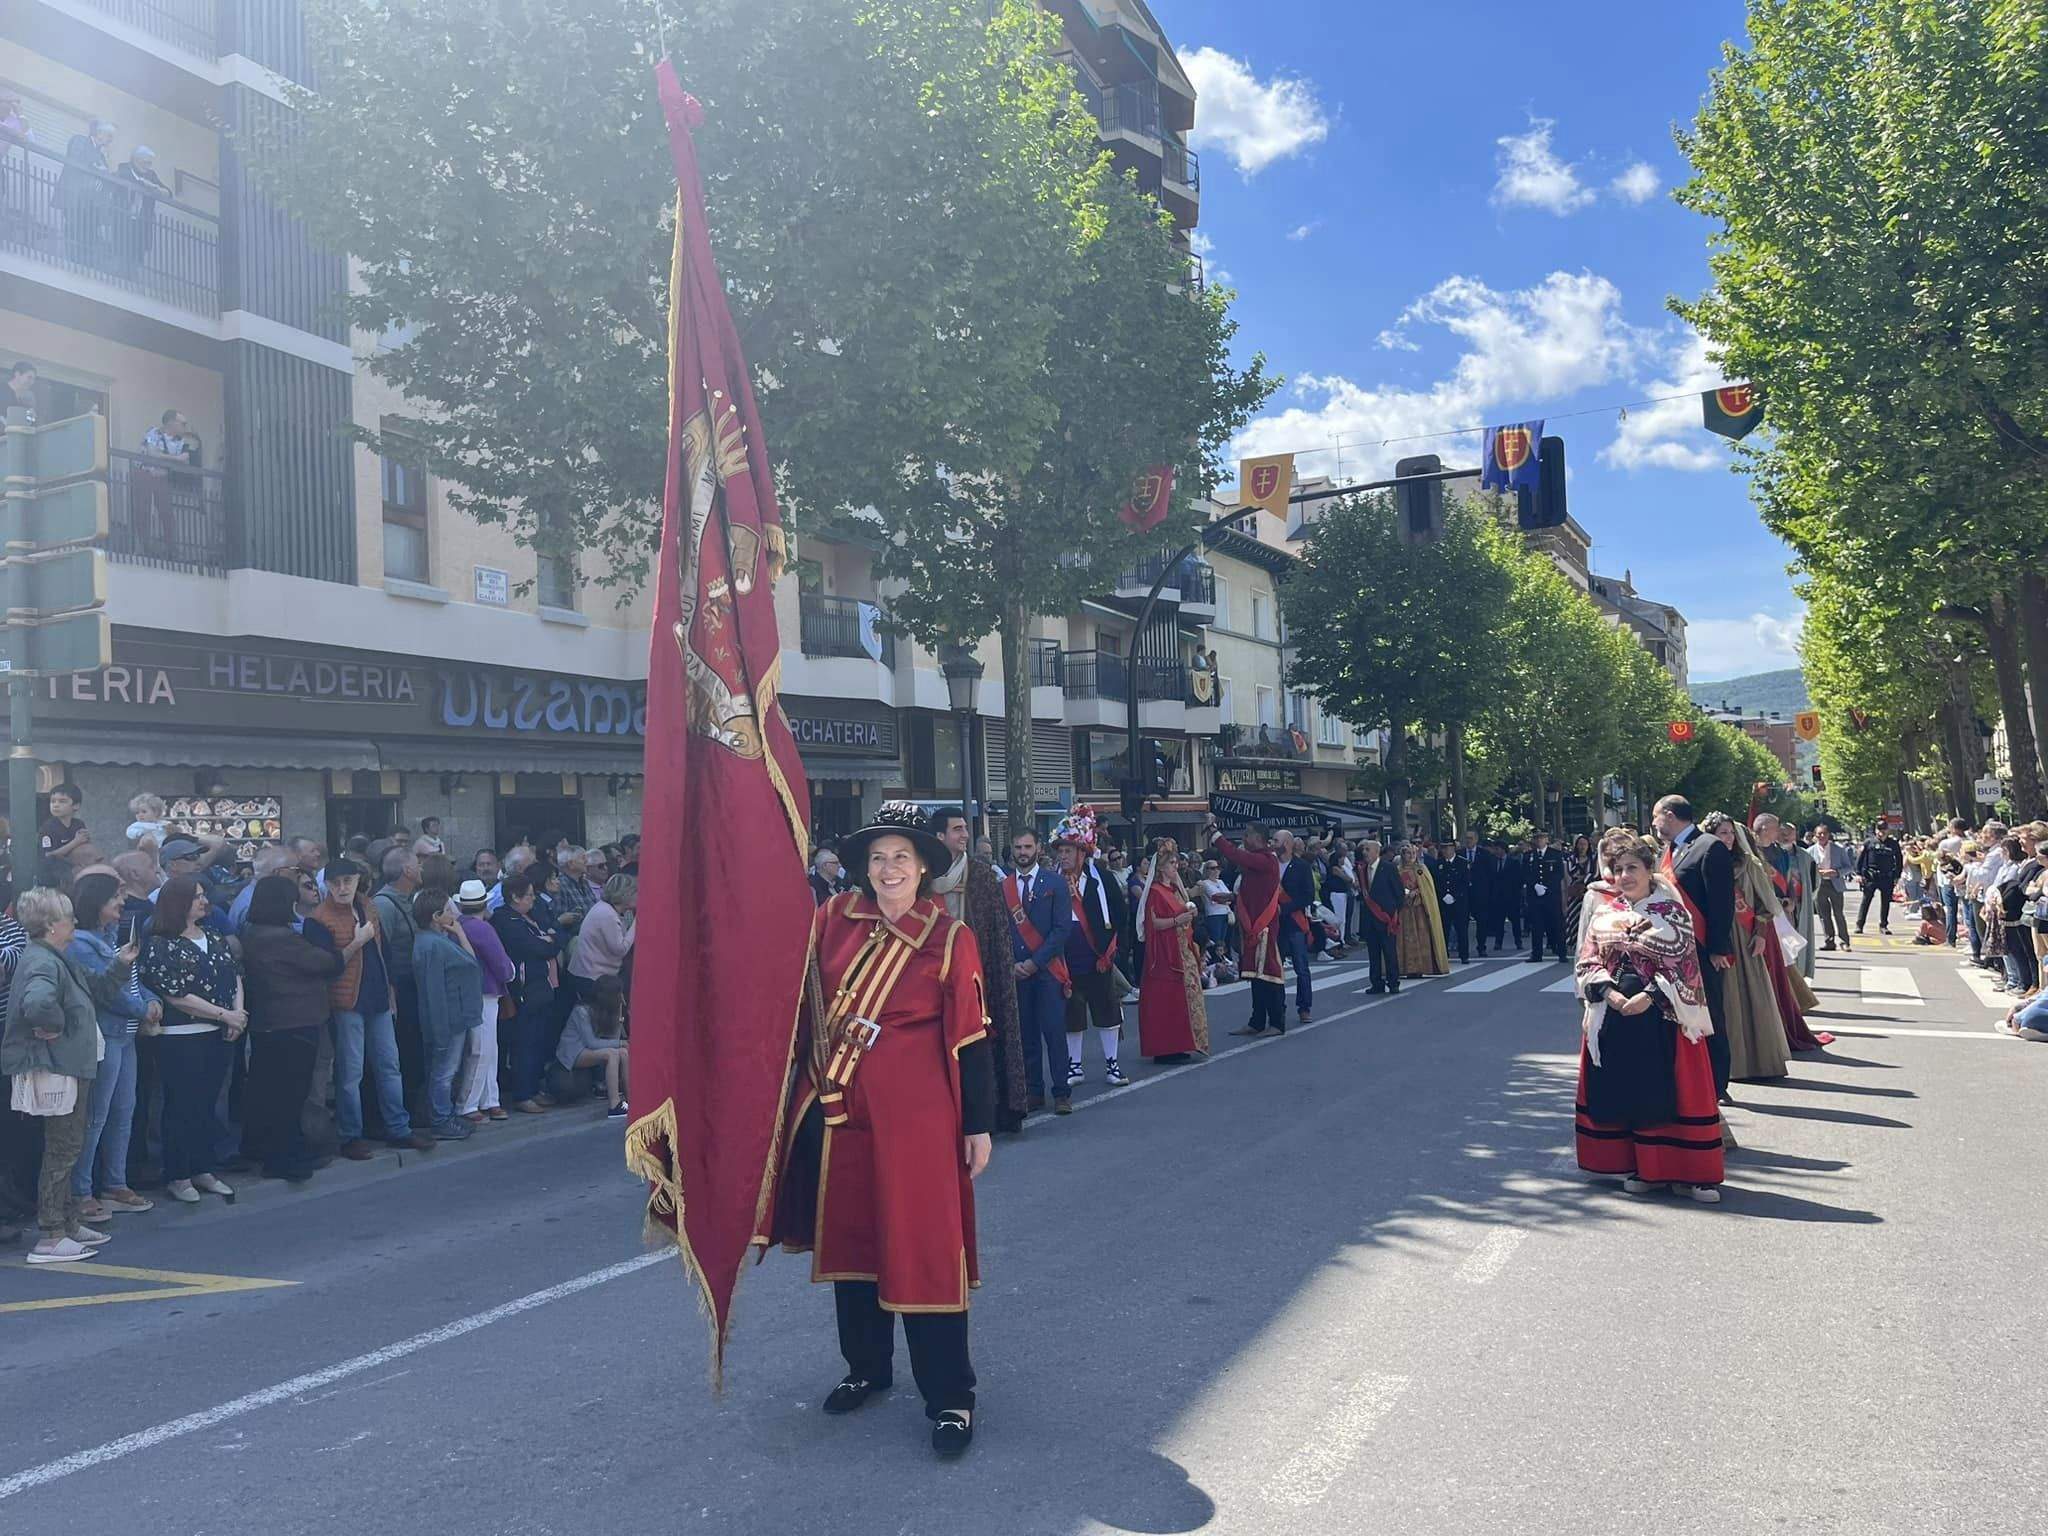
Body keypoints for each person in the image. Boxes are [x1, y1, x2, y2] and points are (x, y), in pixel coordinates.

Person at [764, 804, 994, 1460]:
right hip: (842, 1114)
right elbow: (790, 994)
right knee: (856, 1244)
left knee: (922, 1249)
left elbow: (972, 1039)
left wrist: (977, 1125)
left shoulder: (949, 939)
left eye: (901, 858)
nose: (889, 869)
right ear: (864, 869)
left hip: (919, 1125)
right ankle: (867, 1365)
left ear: (923, 867)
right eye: (877, 859)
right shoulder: (833, 921)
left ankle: (951, 1396)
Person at [1572, 830, 1725, 1203]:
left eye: (1632, 868)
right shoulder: (1607, 912)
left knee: (1674, 1093)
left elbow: (1685, 966)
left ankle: (1691, 1174)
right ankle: (1643, 1167)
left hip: (1664, 1018)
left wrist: (1648, 996)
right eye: (1618, 869)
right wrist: (1609, 993)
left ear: (1649, 870)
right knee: (1631, 1092)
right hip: (1616, 1014)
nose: (1625, 876)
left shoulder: (1672, 912)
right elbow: (1587, 959)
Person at [3, 887, 143, 1261]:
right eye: (67, 916)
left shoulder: (53, 956)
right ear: (50, 925)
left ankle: (65, 1224)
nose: (74, 922)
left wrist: (121, 964)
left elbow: (96, 990)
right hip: (57, 1067)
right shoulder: (45, 962)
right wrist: (56, 1023)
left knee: (67, 1146)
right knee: (62, 1150)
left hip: (65, 1065)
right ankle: (51, 1235)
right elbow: (37, 1003)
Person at [138, 874, 244, 1204]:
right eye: (196, 896)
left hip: (218, 1033)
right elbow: (175, 994)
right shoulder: (160, 943)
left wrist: (238, 1013)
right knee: (181, 1106)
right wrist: (223, 1014)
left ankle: (203, 1167)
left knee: (207, 1105)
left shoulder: (212, 935)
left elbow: (233, 975)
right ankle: (178, 1173)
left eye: (203, 895)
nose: (203, 901)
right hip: (181, 1036)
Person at [237, 874, 343, 1183]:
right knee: (289, 1095)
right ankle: (285, 1158)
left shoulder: (252, 932)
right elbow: (327, 963)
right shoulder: (281, 938)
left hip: (268, 1023)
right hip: (294, 1022)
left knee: (266, 1091)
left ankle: (259, 1147)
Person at [65, 872, 157, 1221]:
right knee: (95, 1117)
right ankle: (81, 1192)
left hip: (127, 1037)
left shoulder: (112, 935)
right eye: (115, 897)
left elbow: (134, 981)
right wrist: (143, 1009)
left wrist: (150, 999)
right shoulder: (80, 943)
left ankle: (115, 1184)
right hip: (105, 1038)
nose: (122, 902)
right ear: (96, 903)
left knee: (123, 1113)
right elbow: (106, 992)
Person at [929, 809, 1028, 1135]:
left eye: (965, 829)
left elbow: (998, 931)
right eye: (957, 829)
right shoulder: (921, 878)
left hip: (976, 973)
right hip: (934, 977)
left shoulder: (982, 875)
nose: (964, 835)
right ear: (940, 836)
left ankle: (991, 1112)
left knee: (978, 1045)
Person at [1655, 794, 1736, 1113]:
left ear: (1671, 815)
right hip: (1671, 948)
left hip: (1702, 949)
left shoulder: (1709, 847)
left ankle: (1717, 1083)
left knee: (1710, 1014)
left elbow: (1721, 903)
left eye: (1657, 816)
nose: (1655, 823)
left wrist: (1718, 948)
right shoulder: (1669, 850)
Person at [1051, 810, 1127, 1089]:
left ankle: (1112, 1063)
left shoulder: (1102, 880)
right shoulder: (1052, 881)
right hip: (1066, 961)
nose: (1063, 856)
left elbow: (1120, 915)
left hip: (1098, 958)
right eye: (1060, 851)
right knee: (1072, 1015)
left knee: (1106, 1012)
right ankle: (1075, 1065)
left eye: (1068, 850)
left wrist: (1113, 951)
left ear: (1082, 852)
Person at [1002, 828, 1073, 1112]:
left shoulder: (1055, 883)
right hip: (1018, 971)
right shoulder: (1003, 887)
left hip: (1048, 970)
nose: (1023, 852)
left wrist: (1035, 962)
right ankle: (1033, 1091)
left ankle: (1061, 1092)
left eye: (1027, 846)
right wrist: (1013, 964)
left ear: (1038, 849)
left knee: (1054, 1033)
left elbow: (1062, 929)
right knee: (1026, 1033)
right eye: (1018, 847)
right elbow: (1001, 932)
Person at [1207, 817, 1287, 1037]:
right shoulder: (1258, 861)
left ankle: (1277, 1022)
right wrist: (1233, 897)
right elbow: (1254, 893)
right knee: (1254, 975)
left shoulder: (1266, 859)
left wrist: (1215, 833)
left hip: (1264, 925)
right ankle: (1257, 1021)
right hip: (1250, 925)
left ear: (1259, 838)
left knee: (1269, 974)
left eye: (1247, 834)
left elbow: (1235, 854)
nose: (1244, 838)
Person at [411, 890, 481, 1139]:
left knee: (444, 1071)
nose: (455, 914)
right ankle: (440, 1119)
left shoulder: (439, 939)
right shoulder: (431, 945)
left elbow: (470, 963)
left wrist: (459, 932)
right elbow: (434, 991)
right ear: (436, 916)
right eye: (449, 910)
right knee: (443, 1072)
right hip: (448, 1019)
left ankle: (444, 1115)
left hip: (455, 1016)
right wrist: (439, 1029)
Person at [491, 871, 562, 1114]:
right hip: (525, 991)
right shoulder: (506, 921)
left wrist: (550, 939)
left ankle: (533, 1088)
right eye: (529, 895)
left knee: (539, 1041)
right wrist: (548, 941)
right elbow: (535, 948)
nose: (533, 899)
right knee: (525, 1044)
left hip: (542, 987)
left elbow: (557, 936)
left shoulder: (529, 917)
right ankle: (523, 1093)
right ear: (515, 897)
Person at [1136, 837, 1209, 1063]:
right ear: (1161, 868)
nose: (1175, 866)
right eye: (1171, 863)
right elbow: (1154, 923)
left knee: (1181, 999)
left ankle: (1181, 1043)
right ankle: (1166, 1047)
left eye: (1176, 862)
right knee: (1167, 999)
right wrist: (1179, 920)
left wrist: (1188, 914)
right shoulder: (1156, 892)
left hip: (1181, 948)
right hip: (1166, 952)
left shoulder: (1174, 889)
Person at [454, 880, 516, 1123]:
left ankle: (490, 1099)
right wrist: (511, 974)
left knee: (486, 1047)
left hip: (471, 992)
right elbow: (502, 965)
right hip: (486, 992)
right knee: (483, 1049)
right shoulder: (483, 928)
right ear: (484, 904)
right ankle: (468, 1104)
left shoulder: (460, 925)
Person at [556, 973, 630, 1117]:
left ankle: (630, 1099)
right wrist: (621, 1042)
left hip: (588, 1050)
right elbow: (591, 1043)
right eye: (619, 993)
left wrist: (619, 1015)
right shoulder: (581, 1011)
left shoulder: (608, 1010)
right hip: (573, 1052)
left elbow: (614, 1039)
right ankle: (614, 1105)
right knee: (612, 1053)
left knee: (623, 1052)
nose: (622, 996)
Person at [1273, 832, 1316, 1024]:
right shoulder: (1271, 865)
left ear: (1287, 844)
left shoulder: (1302, 867)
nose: (1273, 844)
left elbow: (1308, 895)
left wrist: (1286, 907)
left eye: (1276, 841)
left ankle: (1304, 1007)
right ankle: (1277, 1008)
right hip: (1275, 924)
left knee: (1301, 968)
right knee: (1275, 968)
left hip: (1294, 921)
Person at [58, 120, 114, 267]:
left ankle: (84, 263)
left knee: (89, 233)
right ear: (99, 133)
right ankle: (73, 261)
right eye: (109, 135)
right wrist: (96, 166)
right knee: (73, 228)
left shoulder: (101, 155)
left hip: (92, 204)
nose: (111, 139)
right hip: (76, 196)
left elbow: (107, 178)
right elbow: (75, 158)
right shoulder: (79, 140)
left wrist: (103, 165)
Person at [1394, 843, 1449, 977]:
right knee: (1404, 938)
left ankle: (1423, 966)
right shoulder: (1397, 870)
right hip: (1404, 909)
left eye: (1413, 853)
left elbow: (1428, 889)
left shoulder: (1421, 869)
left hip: (1419, 909)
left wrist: (1418, 891)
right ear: (1403, 855)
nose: (1411, 856)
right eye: (1408, 853)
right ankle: (1406, 967)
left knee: (1422, 936)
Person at [1524, 830, 1568, 962]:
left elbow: (1559, 873)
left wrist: (1547, 887)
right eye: (1536, 838)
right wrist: (1535, 885)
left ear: (1546, 839)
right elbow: (1525, 873)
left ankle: (1561, 953)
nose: (1539, 841)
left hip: (1551, 895)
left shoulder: (1555, 854)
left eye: (1541, 838)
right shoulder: (1528, 856)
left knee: (1556, 924)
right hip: (1535, 895)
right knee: (1536, 925)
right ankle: (1536, 954)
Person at [1809, 824, 1853, 951]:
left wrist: (1836, 872)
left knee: (1838, 914)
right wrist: (1816, 873)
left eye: (1824, 833)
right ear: (1815, 836)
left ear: (1828, 835)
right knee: (1823, 915)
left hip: (1835, 884)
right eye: (1819, 834)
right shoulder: (1810, 851)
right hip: (1819, 885)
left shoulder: (1838, 850)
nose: (1822, 836)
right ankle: (1829, 941)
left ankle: (1844, 941)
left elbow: (1849, 867)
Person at [40, 781, 99, 870]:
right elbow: (49, 855)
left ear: (76, 806)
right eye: (53, 801)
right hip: (53, 874)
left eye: (62, 801)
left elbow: (84, 847)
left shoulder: (79, 824)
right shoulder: (48, 827)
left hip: (76, 867)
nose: (56, 805)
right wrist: (76, 842)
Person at [1431, 838, 1471, 964]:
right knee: (1444, 929)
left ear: (1454, 848)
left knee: (1462, 929)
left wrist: (1454, 895)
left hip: (1459, 901)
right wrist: (1443, 895)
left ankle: (1464, 955)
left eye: (1448, 847)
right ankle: (1444, 955)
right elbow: (1436, 882)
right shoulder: (1437, 864)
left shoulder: (1463, 863)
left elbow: (1465, 882)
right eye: (1443, 848)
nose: (1446, 850)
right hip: (1443, 902)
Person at [1856, 826, 1903, 935]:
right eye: (1879, 830)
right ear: (1876, 831)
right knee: (1866, 901)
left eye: (1884, 830)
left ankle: (1883, 925)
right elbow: (1860, 859)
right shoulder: (1869, 842)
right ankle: (1860, 924)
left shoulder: (1893, 844)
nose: (1882, 832)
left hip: (1887, 877)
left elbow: (1899, 860)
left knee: (1886, 902)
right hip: (1871, 876)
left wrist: (1897, 876)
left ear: (1888, 831)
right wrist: (1858, 874)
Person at [1196, 858, 1234, 960]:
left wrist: (1225, 897)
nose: (1216, 870)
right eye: (1213, 868)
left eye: (1218, 868)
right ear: (1206, 870)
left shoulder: (1220, 881)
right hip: (1213, 915)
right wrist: (1226, 897)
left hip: (1225, 913)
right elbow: (1215, 897)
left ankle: (1222, 963)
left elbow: (1230, 896)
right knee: (1215, 941)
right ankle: (1213, 962)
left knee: (1223, 941)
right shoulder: (1204, 883)